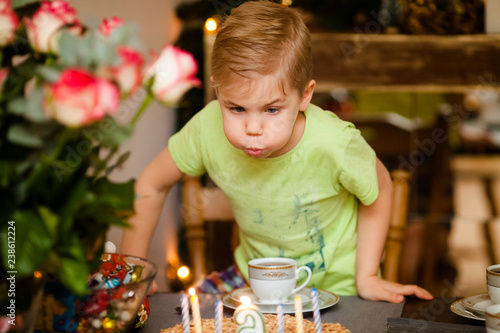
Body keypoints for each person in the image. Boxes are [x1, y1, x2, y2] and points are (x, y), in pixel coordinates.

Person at [121, 0, 433, 303]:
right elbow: (150, 185)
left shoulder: (333, 142)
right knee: (187, 315)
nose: (253, 128)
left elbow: (379, 188)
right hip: (252, 281)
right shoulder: (206, 128)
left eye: (271, 109)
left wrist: (366, 277)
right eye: (237, 108)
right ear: (218, 91)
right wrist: (131, 276)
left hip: (340, 288)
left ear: (304, 96)